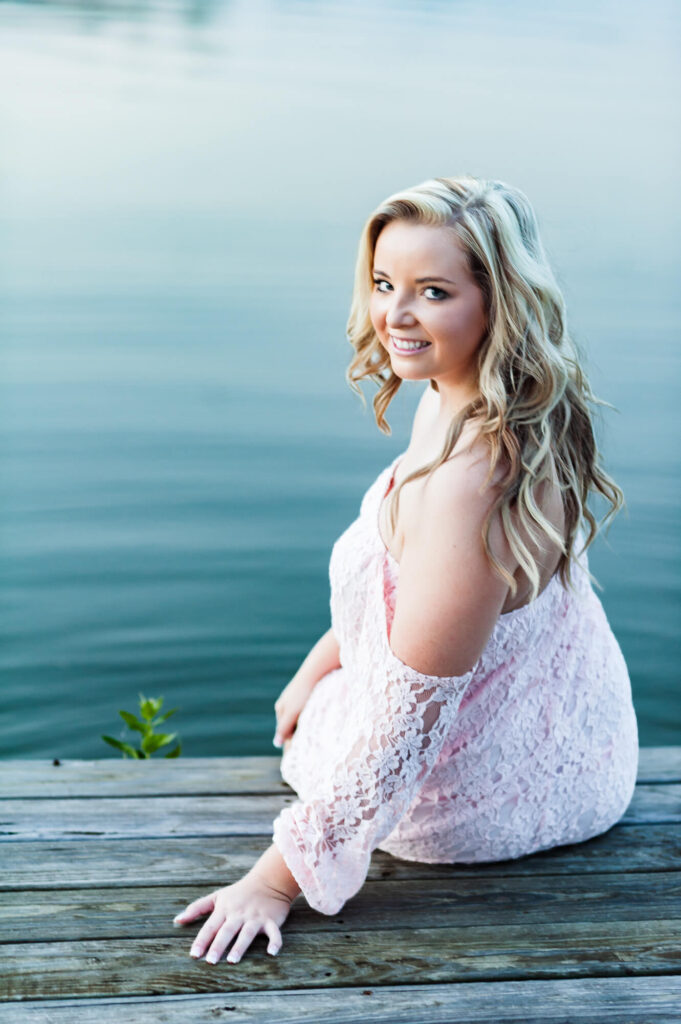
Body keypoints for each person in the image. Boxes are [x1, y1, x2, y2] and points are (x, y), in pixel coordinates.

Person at [172, 175, 638, 964]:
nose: (394, 314)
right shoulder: (469, 393)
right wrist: (319, 663)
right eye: (386, 284)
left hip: (489, 795)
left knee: (337, 747)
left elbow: (402, 725)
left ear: (500, 302)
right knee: (318, 710)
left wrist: (273, 882)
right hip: (567, 727)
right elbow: (404, 584)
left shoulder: (475, 479)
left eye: (432, 291)